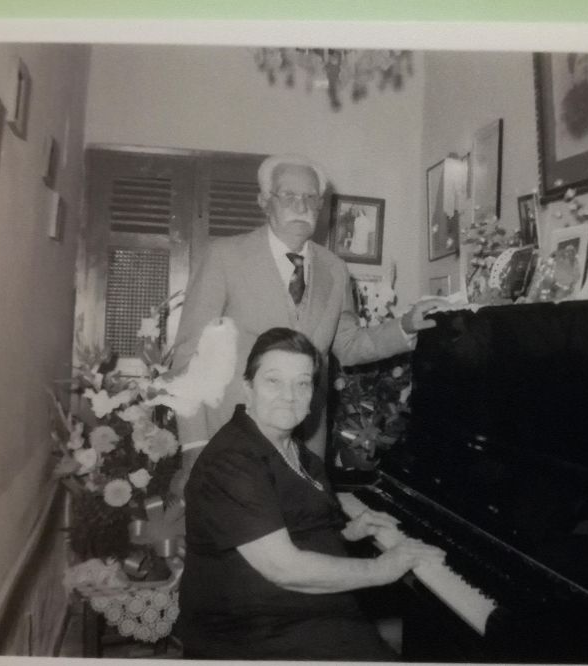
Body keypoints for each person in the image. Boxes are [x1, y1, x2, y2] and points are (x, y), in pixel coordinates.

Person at [176, 328, 445, 660]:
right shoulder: (232, 461)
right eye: (273, 381)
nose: (289, 395)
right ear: (248, 388)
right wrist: (383, 567)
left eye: (302, 383)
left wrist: (349, 532)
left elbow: (294, 527)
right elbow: (283, 568)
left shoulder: (298, 453)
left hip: (298, 610)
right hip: (249, 632)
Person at [170, 153, 444, 472]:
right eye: (288, 195)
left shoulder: (335, 269)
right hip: (232, 441)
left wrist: (406, 326)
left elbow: (349, 345)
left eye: (310, 197)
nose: (301, 206)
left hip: (305, 446)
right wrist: (193, 445)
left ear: (321, 206)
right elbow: (190, 355)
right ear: (264, 201)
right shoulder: (224, 257)